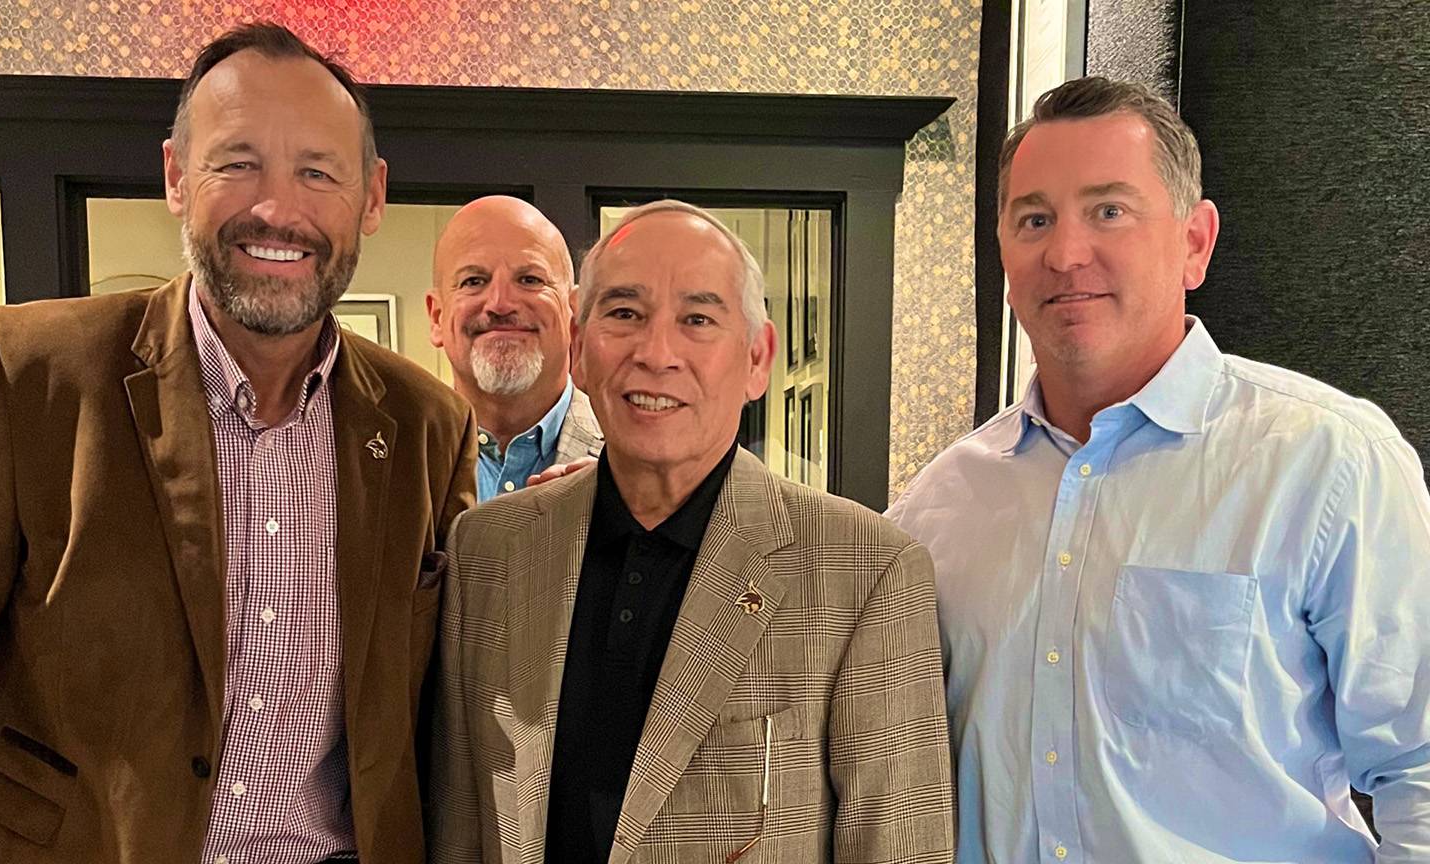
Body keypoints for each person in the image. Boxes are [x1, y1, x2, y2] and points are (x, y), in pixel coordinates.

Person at [0, 23, 476, 864]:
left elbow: (445, 709)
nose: (278, 208)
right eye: (238, 163)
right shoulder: (25, 375)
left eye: (318, 172)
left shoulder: (428, 425)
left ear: (372, 197)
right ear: (175, 174)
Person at [887, 76, 1430, 863]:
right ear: (1003, 253)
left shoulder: (1329, 464)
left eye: (1109, 210)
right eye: (1034, 219)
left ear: (1194, 243)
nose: (1067, 253)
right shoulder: (938, 507)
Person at [430, 199, 954, 863]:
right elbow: (458, 831)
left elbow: (900, 849)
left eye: (698, 319)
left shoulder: (866, 573)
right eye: (624, 314)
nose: (656, 353)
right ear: (582, 350)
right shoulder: (486, 553)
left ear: (758, 358)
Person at [427, 196, 602, 501]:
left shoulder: (634, 460)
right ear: (437, 317)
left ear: (574, 312)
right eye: (473, 281)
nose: (500, 304)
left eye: (529, 279)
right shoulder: (391, 459)